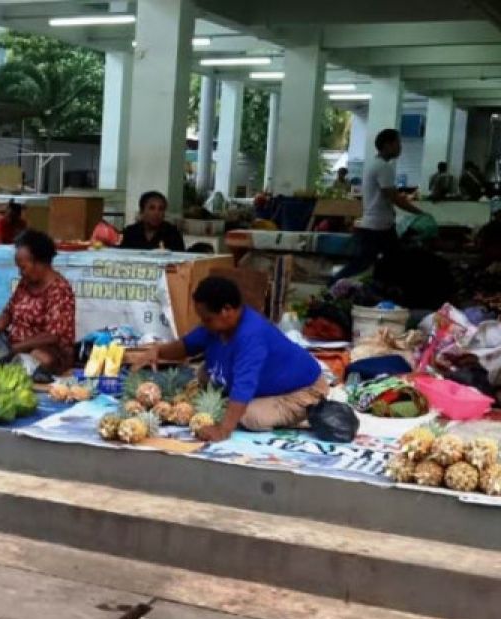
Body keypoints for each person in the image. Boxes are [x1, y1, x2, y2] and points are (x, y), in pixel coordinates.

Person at [130, 276, 325, 441]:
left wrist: (223, 429)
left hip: (303, 390)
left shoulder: (250, 336)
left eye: (207, 319)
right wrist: (158, 351)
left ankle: (309, 411)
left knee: (250, 417)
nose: (204, 324)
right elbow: (187, 345)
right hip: (262, 381)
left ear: (226, 310)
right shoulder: (217, 326)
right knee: (204, 373)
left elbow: (244, 385)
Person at [340, 129, 424, 281]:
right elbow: (393, 197)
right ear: (387, 145)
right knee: (363, 263)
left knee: (393, 261)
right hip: (376, 227)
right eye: (398, 143)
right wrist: (418, 212)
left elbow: (389, 196)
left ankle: (388, 290)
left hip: (382, 225)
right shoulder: (383, 167)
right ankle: (332, 286)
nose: (400, 147)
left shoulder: (376, 164)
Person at [0, 229, 76, 377]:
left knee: (40, 357)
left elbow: (51, 336)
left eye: (23, 267)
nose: (20, 273)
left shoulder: (60, 290)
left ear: (40, 263)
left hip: (49, 352)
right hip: (15, 347)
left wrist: (14, 348)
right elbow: (7, 314)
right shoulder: (25, 283)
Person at [119, 191, 186, 251]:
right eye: (152, 208)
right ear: (142, 212)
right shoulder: (129, 233)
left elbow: (181, 258)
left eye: (161, 209)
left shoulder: (172, 234)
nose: (156, 213)